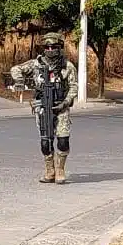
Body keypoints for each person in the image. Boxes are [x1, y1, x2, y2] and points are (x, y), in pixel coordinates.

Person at [10, 32, 77, 184]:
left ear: (60, 47)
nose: (50, 49)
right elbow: (16, 69)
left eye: (54, 46)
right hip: (42, 107)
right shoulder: (36, 64)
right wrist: (19, 82)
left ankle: (60, 169)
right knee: (45, 142)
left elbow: (73, 87)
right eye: (47, 47)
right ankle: (50, 170)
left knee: (63, 141)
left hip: (61, 107)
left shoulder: (67, 66)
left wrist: (65, 102)